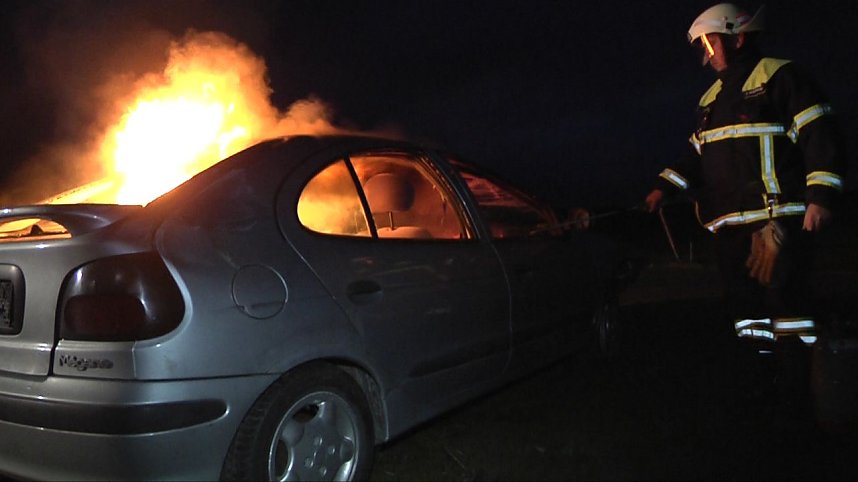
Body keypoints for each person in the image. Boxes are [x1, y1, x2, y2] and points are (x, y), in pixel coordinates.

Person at [644, 3, 847, 415]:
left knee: (788, 307)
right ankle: (762, 382)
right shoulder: (711, 98)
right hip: (729, 230)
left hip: (779, 222)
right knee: (745, 313)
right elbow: (696, 158)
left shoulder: (781, 76)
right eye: (702, 45)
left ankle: (808, 385)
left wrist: (821, 198)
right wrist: (662, 188)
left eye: (710, 41)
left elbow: (820, 135)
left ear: (738, 37)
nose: (706, 52)